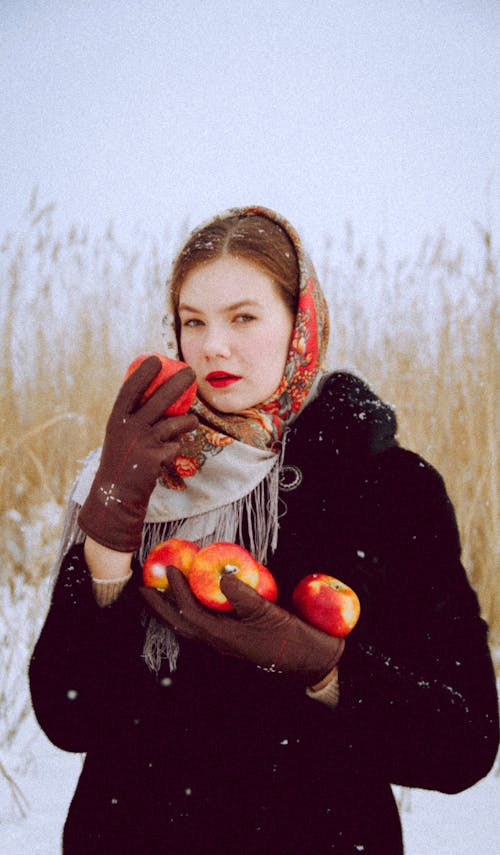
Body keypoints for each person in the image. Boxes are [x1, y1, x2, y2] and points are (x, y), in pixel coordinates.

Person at [29, 206, 499, 855]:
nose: (213, 344)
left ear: (300, 323)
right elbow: (70, 714)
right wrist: (109, 528)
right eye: (193, 321)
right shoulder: (143, 471)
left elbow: (463, 742)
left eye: (243, 317)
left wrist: (322, 666)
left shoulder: (386, 488)